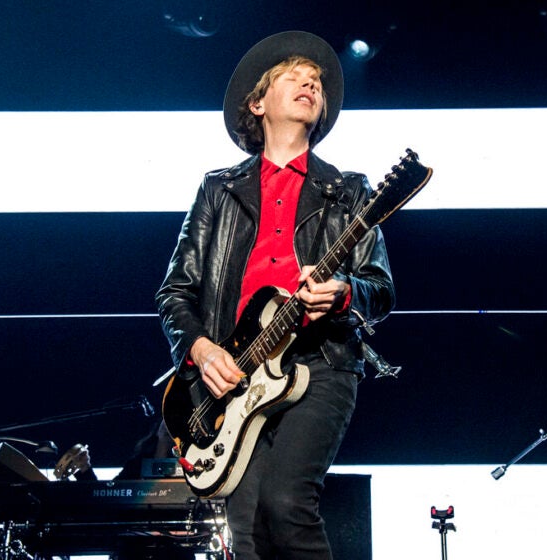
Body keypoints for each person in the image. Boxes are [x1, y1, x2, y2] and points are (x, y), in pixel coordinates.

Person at [155, 30, 395, 559]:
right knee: (243, 530)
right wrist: (201, 349)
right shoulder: (217, 190)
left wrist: (342, 294)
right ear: (257, 103)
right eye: (293, 75)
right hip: (237, 376)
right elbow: (175, 291)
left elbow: (380, 289)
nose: (310, 81)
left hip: (321, 364)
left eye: (316, 81)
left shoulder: (350, 190)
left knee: (286, 503)